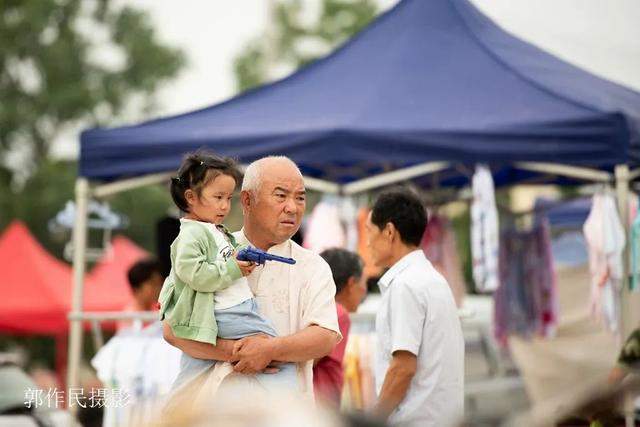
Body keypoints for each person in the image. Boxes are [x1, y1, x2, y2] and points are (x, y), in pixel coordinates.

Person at [162, 156, 341, 402]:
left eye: (300, 197)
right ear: (247, 200)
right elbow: (172, 330)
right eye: (281, 196)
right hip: (210, 409)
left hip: (280, 413)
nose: (293, 207)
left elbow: (325, 337)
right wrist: (235, 352)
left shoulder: (313, 266)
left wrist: (269, 350)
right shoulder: (208, 247)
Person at [366, 189, 464, 427]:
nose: (367, 242)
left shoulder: (405, 285)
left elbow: (403, 367)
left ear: (389, 232)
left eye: (369, 231)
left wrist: (373, 420)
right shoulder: (431, 279)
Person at [315, 248, 367, 405]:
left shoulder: (319, 309)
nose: (364, 290)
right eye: (364, 282)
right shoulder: (338, 315)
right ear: (351, 283)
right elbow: (306, 360)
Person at [117, 257, 164, 331]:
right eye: (153, 284)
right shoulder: (129, 317)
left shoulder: (159, 310)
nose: (158, 288)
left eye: (159, 283)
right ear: (137, 288)